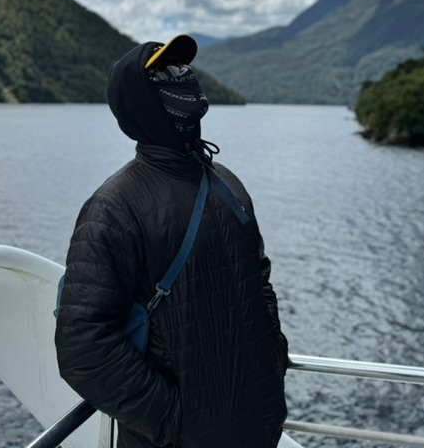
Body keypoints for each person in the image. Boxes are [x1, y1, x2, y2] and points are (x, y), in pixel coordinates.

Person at [55, 35, 289, 448]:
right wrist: (174, 421)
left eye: (183, 69)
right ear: (140, 101)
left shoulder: (226, 183)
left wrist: (271, 360)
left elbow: (259, 276)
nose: (184, 79)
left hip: (257, 424)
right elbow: (83, 346)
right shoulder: (113, 208)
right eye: (165, 74)